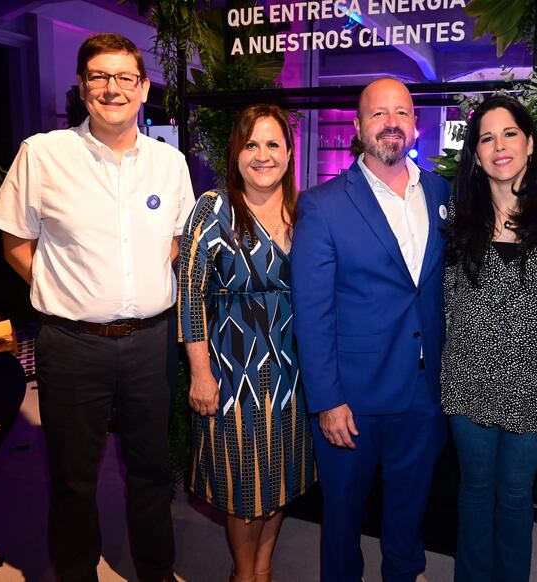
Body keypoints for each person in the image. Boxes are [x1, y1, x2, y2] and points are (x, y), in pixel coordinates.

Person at [0, 33, 194, 581]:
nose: (112, 88)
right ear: (82, 87)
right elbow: (14, 243)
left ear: (144, 88)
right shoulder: (43, 153)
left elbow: (178, 238)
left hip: (151, 342)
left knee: (152, 470)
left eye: (125, 77)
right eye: (99, 76)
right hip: (72, 346)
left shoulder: (169, 164)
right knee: (74, 478)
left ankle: (154, 570)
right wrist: (65, 289)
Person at [291, 77, 451, 582]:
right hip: (352, 399)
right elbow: (312, 311)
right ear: (358, 127)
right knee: (342, 516)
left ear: (415, 124)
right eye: (378, 114)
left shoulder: (443, 193)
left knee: (409, 509)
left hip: (425, 391)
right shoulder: (322, 204)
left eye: (401, 113)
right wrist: (327, 400)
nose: (391, 123)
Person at [441, 95, 537, 581]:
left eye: (509, 134)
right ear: (476, 154)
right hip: (468, 382)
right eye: (487, 138)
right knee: (475, 489)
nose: (499, 146)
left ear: (529, 143)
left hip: (536, 387)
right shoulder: (455, 215)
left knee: (513, 495)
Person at [177, 104, 315, 582]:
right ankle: (243, 574)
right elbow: (190, 293)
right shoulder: (212, 208)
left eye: (273, 144)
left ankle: (263, 570)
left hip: (292, 373)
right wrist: (199, 373)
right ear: (236, 154)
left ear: (289, 152)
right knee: (243, 486)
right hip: (231, 373)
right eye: (251, 144)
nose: (262, 155)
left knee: (280, 479)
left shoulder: (304, 211)